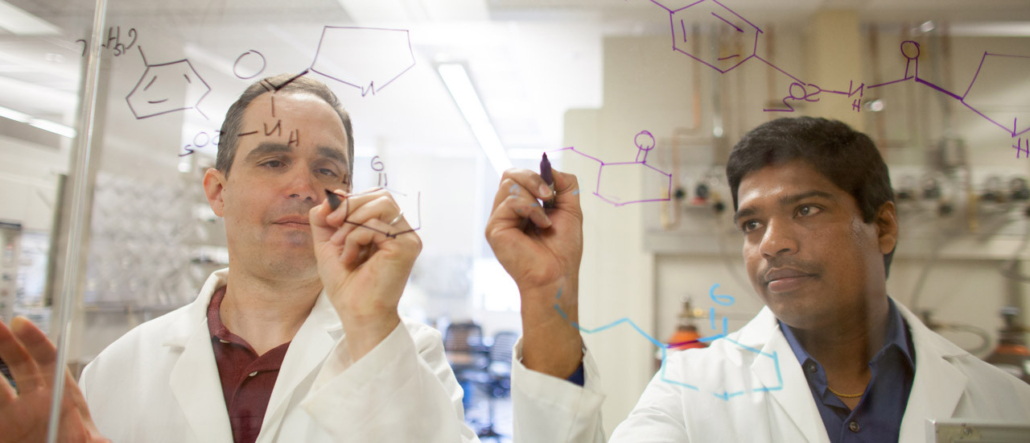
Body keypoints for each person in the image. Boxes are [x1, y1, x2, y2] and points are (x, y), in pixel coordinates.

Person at [486, 117, 1030, 442]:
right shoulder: (692, 388)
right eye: (752, 224)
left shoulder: (1004, 403)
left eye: (807, 210)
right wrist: (546, 294)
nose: (772, 243)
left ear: (883, 226)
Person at [0, 74, 478, 442]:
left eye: (326, 169)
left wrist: (372, 321)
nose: (304, 187)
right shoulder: (119, 369)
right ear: (218, 192)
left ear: (347, 198)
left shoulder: (407, 354)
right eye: (273, 162)